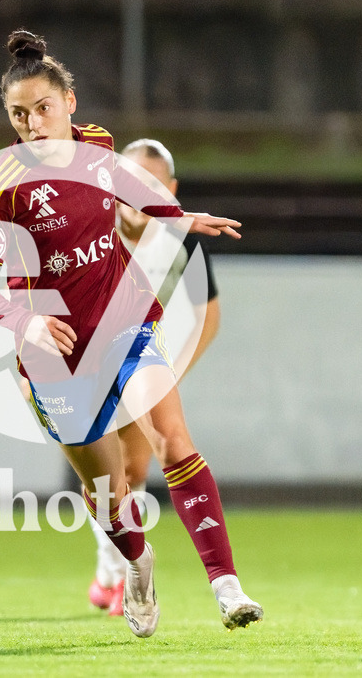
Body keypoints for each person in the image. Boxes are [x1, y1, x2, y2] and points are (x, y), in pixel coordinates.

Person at [0, 29, 262, 638]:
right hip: (56, 359)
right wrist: (26, 320)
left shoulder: (96, 145)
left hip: (127, 325)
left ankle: (228, 587)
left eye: (42, 107)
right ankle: (137, 563)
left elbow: (124, 183)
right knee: (107, 490)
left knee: (173, 440)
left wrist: (179, 215)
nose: (33, 124)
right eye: (19, 115)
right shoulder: (1, 188)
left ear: (70, 101)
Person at [86, 138, 222, 617]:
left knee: (132, 471)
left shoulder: (180, 237)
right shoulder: (92, 227)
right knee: (103, 474)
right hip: (84, 362)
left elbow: (209, 316)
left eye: (152, 184)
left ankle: (117, 577)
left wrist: (174, 370)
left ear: (171, 189)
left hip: (138, 360)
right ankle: (111, 573)